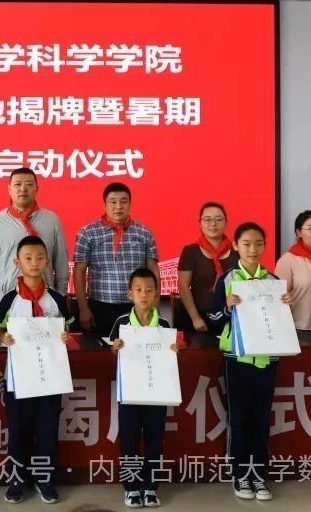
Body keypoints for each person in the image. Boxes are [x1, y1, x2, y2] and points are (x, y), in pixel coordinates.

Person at [207, 222, 294, 502]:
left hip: (267, 358)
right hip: (238, 358)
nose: (252, 249)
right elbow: (213, 320)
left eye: (258, 244)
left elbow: (279, 322)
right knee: (239, 418)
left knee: (261, 418)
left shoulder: (273, 281)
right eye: (246, 244)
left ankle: (258, 475)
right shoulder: (227, 279)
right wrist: (227, 307)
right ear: (235, 246)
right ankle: (240, 474)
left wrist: (285, 305)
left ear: (265, 246)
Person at [0, 235, 73, 505]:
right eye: (28, 258)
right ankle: (17, 479)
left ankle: (45, 479)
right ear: (17, 262)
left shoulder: (57, 299)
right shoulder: (9, 300)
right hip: (17, 378)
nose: (34, 263)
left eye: (39, 258)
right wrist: (3, 337)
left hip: (51, 377)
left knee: (47, 430)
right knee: (18, 431)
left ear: (47, 261)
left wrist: (65, 335)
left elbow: (67, 327)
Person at [109, 267, 180, 508]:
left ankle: (150, 487)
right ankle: (131, 488)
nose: (143, 294)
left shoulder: (163, 324)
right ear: (129, 294)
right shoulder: (121, 323)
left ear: (156, 294)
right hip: (129, 394)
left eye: (149, 290)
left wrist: (173, 350)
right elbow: (113, 350)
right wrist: (115, 347)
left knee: (154, 440)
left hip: (156, 394)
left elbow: (169, 354)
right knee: (129, 440)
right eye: (138, 290)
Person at [0, 168, 69, 333]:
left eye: (29, 184)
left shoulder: (52, 220)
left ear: (37, 189)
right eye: (17, 184)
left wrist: (61, 298)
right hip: (7, 302)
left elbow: (61, 261)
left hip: (45, 302)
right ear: (9, 189)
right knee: (9, 345)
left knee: (45, 346)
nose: (23, 189)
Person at [73, 182, 159, 336]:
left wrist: (156, 303)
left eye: (123, 201)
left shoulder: (144, 233)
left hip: (137, 306)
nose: (118, 206)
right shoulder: (88, 233)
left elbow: (153, 269)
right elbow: (79, 271)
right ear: (105, 204)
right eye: (113, 202)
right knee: (102, 348)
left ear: (130, 204)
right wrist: (83, 308)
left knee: (136, 348)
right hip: (101, 306)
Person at [175, 202, 239, 333]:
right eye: (207, 219)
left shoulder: (237, 250)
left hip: (231, 314)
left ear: (226, 222)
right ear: (200, 223)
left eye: (218, 219)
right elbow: (183, 286)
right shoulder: (191, 251)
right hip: (200, 317)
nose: (213, 224)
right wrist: (195, 318)